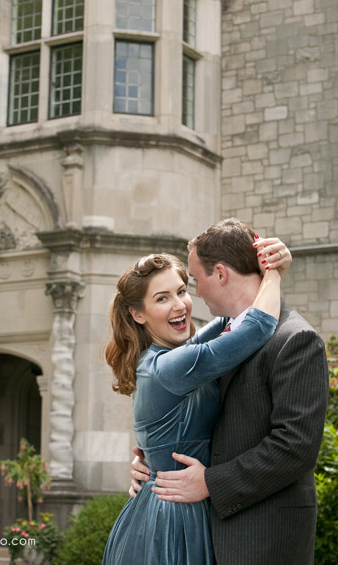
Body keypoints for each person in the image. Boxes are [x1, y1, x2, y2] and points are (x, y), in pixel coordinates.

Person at [130, 218, 329, 565]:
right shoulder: (213, 341)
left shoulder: (296, 339)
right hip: (200, 533)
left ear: (220, 274)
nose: (194, 295)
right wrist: (149, 459)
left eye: (193, 282)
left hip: (262, 537)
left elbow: (295, 447)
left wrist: (210, 482)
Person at [103, 231, 291, 565]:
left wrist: (254, 267)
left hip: (175, 506)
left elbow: (229, 318)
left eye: (182, 291)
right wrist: (274, 273)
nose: (179, 306)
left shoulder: (178, 354)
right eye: (162, 299)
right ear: (138, 314)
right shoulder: (169, 367)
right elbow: (256, 326)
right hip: (172, 519)